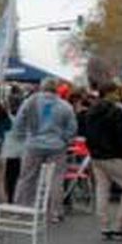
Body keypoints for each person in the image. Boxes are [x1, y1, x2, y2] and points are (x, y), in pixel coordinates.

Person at [10, 77, 79, 222]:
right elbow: (72, 128)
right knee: (56, 179)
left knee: (27, 177)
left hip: (33, 144)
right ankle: (54, 212)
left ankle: (22, 208)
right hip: (56, 146)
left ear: (42, 87)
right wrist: (64, 139)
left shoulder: (30, 102)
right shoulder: (65, 106)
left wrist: (24, 137)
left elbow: (18, 123)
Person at [85, 83, 122, 239]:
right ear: (110, 93)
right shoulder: (116, 111)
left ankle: (104, 225)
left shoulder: (91, 111)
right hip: (114, 156)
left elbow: (87, 133)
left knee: (102, 188)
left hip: (96, 156)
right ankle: (119, 225)